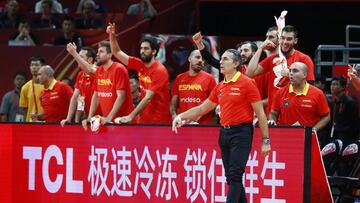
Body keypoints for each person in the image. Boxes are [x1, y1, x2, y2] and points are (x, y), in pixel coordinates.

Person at [172, 49, 270, 203]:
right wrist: (181, 116)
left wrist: (265, 141)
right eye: (221, 59)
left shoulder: (247, 83)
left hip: (242, 133)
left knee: (235, 175)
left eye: (225, 59)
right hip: (224, 133)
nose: (221, 62)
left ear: (236, 64)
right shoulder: (221, 86)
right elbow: (202, 108)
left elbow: (261, 114)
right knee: (231, 178)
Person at [107, 22, 171, 124]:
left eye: (146, 49)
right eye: (141, 48)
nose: (142, 51)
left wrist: (130, 116)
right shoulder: (139, 64)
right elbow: (116, 52)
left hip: (159, 121)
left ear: (154, 52)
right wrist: (112, 35)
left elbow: (148, 98)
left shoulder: (160, 71)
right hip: (144, 119)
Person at [247, 25, 315, 114]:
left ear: (295, 41)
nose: (285, 42)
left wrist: (290, 74)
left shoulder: (304, 59)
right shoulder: (272, 59)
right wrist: (260, 48)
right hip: (273, 113)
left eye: (289, 39)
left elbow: (310, 88)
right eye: (282, 38)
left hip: (294, 112)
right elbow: (250, 73)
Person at [81, 41, 134, 127]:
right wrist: (89, 117)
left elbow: (121, 96)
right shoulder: (99, 70)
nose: (97, 54)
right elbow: (96, 96)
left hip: (123, 122)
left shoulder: (119, 69)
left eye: (101, 51)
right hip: (108, 122)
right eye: (97, 51)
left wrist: (109, 118)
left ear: (110, 55)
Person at [268, 62, 330, 133]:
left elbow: (326, 117)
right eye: (290, 70)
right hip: (285, 137)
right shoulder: (280, 93)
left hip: (307, 138)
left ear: (304, 75)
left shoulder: (318, 93)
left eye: (295, 71)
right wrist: (272, 121)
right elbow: (273, 113)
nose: (291, 73)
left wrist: (314, 129)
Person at [170, 49, 216, 124]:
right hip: (182, 124)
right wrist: (174, 116)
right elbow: (173, 104)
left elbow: (214, 104)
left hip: (203, 125)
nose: (200, 60)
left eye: (203, 59)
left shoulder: (210, 79)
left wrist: (199, 115)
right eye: (197, 57)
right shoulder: (179, 78)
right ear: (189, 59)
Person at [61, 45, 97, 126]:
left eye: (80, 57)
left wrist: (74, 53)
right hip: (88, 119)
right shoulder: (80, 75)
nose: (77, 59)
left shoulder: (98, 71)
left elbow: (89, 69)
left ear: (90, 60)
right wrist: (70, 119)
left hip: (101, 117)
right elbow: (77, 98)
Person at [329, 76, 359, 147]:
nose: (332, 86)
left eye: (336, 84)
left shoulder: (350, 102)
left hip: (347, 137)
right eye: (332, 84)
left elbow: (354, 123)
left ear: (343, 87)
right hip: (336, 135)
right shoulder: (335, 102)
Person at [19, 56, 45, 122]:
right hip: (31, 124)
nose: (34, 67)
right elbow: (24, 109)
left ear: (43, 67)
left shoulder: (49, 85)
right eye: (32, 65)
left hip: (47, 123)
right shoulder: (25, 87)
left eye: (36, 65)